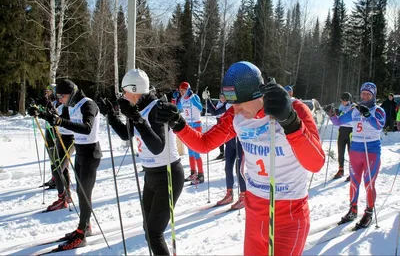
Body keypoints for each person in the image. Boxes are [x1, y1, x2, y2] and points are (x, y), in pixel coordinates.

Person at [155, 61, 325, 255]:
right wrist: (178, 123)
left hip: (288, 217)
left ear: (258, 93)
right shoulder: (237, 114)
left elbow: (316, 163)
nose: (235, 110)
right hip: (254, 215)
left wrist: (290, 121)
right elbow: (205, 144)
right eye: (231, 104)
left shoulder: (295, 109)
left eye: (239, 104)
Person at [98, 69, 184, 256]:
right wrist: (111, 116)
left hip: (168, 175)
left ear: (134, 90)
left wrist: (136, 118)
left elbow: (157, 146)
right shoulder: (139, 108)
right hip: (151, 176)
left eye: (124, 91)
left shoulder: (156, 107)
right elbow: (125, 134)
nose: (122, 95)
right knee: (148, 229)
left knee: (154, 233)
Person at [32, 79, 102, 250]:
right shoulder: (72, 105)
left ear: (71, 93)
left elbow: (86, 127)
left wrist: (59, 121)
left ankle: (82, 233)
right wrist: (42, 114)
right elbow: (61, 120)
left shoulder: (88, 104)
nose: (60, 99)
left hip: (91, 153)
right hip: (81, 151)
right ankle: (85, 227)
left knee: (85, 193)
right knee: (80, 191)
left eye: (61, 96)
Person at [326, 82, 385, 229]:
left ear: (373, 95)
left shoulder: (378, 110)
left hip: (371, 150)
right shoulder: (354, 110)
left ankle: (369, 212)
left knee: (369, 183)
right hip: (356, 150)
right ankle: (353, 209)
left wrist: (367, 115)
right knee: (354, 181)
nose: (365, 96)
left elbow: (379, 125)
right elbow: (339, 122)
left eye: (368, 94)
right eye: (363, 93)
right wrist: (332, 114)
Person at [28, 85, 75, 211]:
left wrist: (47, 109)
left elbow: (58, 117)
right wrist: (39, 109)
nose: (47, 93)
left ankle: (64, 197)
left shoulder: (65, 104)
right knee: (57, 167)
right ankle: (65, 195)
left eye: (50, 91)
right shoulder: (56, 103)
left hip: (68, 137)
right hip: (58, 135)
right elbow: (52, 115)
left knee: (59, 168)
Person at [203, 89, 246, 209]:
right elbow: (215, 112)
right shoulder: (224, 105)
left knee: (239, 169)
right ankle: (229, 194)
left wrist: (208, 101)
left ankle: (243, 195)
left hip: (238, 140)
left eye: (225, 96)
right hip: (229, 141)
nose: (223, 98)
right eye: (222, 95)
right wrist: (208, 101)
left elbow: (216, 112)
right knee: (228, 167)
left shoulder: (234, 105)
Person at [173, 82, 204, 184]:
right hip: (188, 125)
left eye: (183, 91)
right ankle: (193, 172)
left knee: (196, 151)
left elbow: (200, 109)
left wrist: (196, 102)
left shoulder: (194, 97)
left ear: (188, 89)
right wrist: (175, 99)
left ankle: (200, 174)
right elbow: (176, 108)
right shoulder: (182, 99)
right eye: (180, 91)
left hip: (196, 124)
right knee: (190, 151)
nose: (182, 93)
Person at [331, 92, 355, 181]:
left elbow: (348, 115)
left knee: (351, 153)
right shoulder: (341, 106)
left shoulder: (353, 106)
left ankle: (352, 172)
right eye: (342, 101)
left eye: (346, 101)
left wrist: (341, 113)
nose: (344, 103)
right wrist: (335, 112)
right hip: (342, 130)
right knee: (340, 151)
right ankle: (341, 170)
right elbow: (339, 117)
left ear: (349, 100)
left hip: (351, 130)